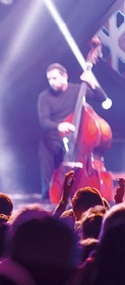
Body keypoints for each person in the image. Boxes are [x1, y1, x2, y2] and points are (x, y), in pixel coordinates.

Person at [37, 62, 107, 200]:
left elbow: (102, 98)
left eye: (54, 78)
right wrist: (59, 126)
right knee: (45, 145)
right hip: (55, 136)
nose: (51, 82)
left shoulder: (77, 90)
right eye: (49, 79)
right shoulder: (44, 96)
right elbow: (43, 122)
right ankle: (48, 191)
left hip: (75, 136)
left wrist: (92, 83)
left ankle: (82, 188)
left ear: (65, 77)